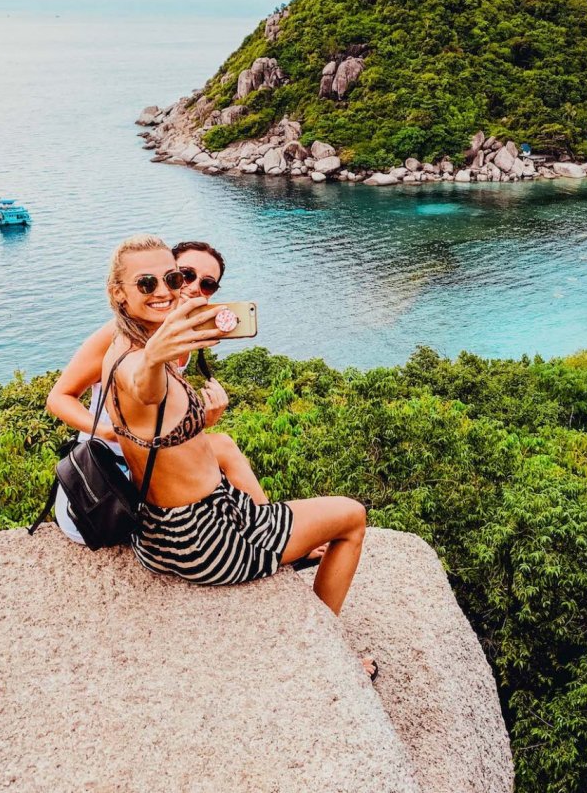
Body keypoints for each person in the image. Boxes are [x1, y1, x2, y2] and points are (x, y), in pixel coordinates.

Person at [100, 235, 374, 675]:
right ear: (120, 293)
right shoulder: (139, 359)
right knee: (351, 516)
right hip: (203, 539)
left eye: (171, 279)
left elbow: (162, 431)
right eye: (146, 284)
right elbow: (143, 389)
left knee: (231, 456)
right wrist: (156, 358)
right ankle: (329, 653)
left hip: (161, 533)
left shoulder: (121, 342)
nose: (165, 292)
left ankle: (281, 542)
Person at [45, 240, 287, 543]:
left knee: (219, 447)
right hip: (105, 488)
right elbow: (58, 398)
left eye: (207, 283)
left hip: (149, 470)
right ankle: (275, 536)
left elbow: (161, 427)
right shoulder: (119, 335)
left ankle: (269, 531)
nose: (193, 287)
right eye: (184, 275)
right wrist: (110, 432)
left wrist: (204, 420)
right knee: (221, 449)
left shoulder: (181, 338)